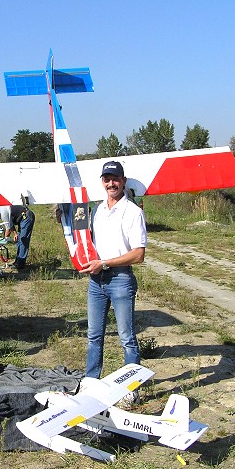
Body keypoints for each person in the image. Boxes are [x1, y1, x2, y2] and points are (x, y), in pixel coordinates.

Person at [79, 161, 147, 399]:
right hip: (96, 281)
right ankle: (90, 382)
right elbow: (81, 233)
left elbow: (138, 254)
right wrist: (64, 216)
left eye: (115, 179)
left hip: (120, 280)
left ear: (123, 181)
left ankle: (132, 388)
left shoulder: (133, 212)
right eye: (107, 179)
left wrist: (105, 263)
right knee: (94, 335)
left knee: (126, 337)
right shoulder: (97, 210)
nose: (111, 183)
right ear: (102, 182)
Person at [0, 205, 35, 270]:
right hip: (21, 219)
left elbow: (8, 229)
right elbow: (10, 224)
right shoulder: (1, 211)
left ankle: (20, 264)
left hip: (26, 217)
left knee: (23, 240)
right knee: (19, 241)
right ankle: (17, 262)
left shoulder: (3, 213)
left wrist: (2, 241)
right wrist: (15, 233)